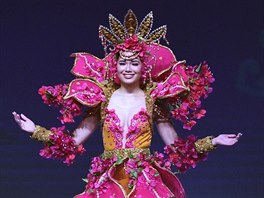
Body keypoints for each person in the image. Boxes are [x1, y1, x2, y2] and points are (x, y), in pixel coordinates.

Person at [13, 10, 241, 198]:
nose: (128, 68)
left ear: (144, 67)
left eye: (134, 63)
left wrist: (214, 141)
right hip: (107, 181)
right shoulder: (101, 99)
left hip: (144, 180)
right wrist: (35, 130)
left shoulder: (153, 99)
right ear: (115, 66)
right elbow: (72, 144)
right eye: (123, 63)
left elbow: (178, 150)